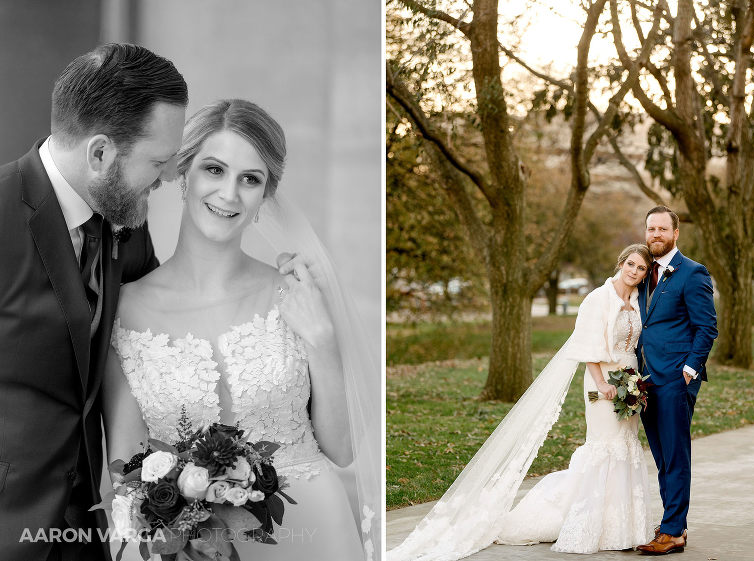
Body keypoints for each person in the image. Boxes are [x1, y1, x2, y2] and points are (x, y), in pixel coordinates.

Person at [103, 99, 379, 561]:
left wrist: (322, 339)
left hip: (313, 530)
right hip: (189, 546)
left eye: (250, 179)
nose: (229, 195)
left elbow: (343, 449)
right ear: (182, 173)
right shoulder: (126, 309)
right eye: (214, 170)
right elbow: (128, 472)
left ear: (265, 196)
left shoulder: (295, 293)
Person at [0, 43, 187, 561]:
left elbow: (147, 334)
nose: (170, 178)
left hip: (87, 529)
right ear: (100, 153)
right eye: (159, 161)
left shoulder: (126, 215)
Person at [387, 244, 654, 560]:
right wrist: (601, 384)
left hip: (630, 381)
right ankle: (589, 524)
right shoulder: (598, 298)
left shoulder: (638, 302)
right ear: (621, 263)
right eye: (631, 265)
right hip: (603, 384)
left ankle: (620, 526)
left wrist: (637, 382)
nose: (635, 272)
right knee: (604, 446)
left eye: (641, 269)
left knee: (626, 446)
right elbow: (586, 346)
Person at [635, 206, 717, 555]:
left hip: (675, 380)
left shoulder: (693, 273)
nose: (655, 234)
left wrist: (689, 370)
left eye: (662, 229)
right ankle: (673, 523)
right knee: (662, 456)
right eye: (651, 228)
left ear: (675, 233)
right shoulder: (643, 272)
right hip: (643, 381)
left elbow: (706, 327)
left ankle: (672, 530)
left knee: (676, 455)